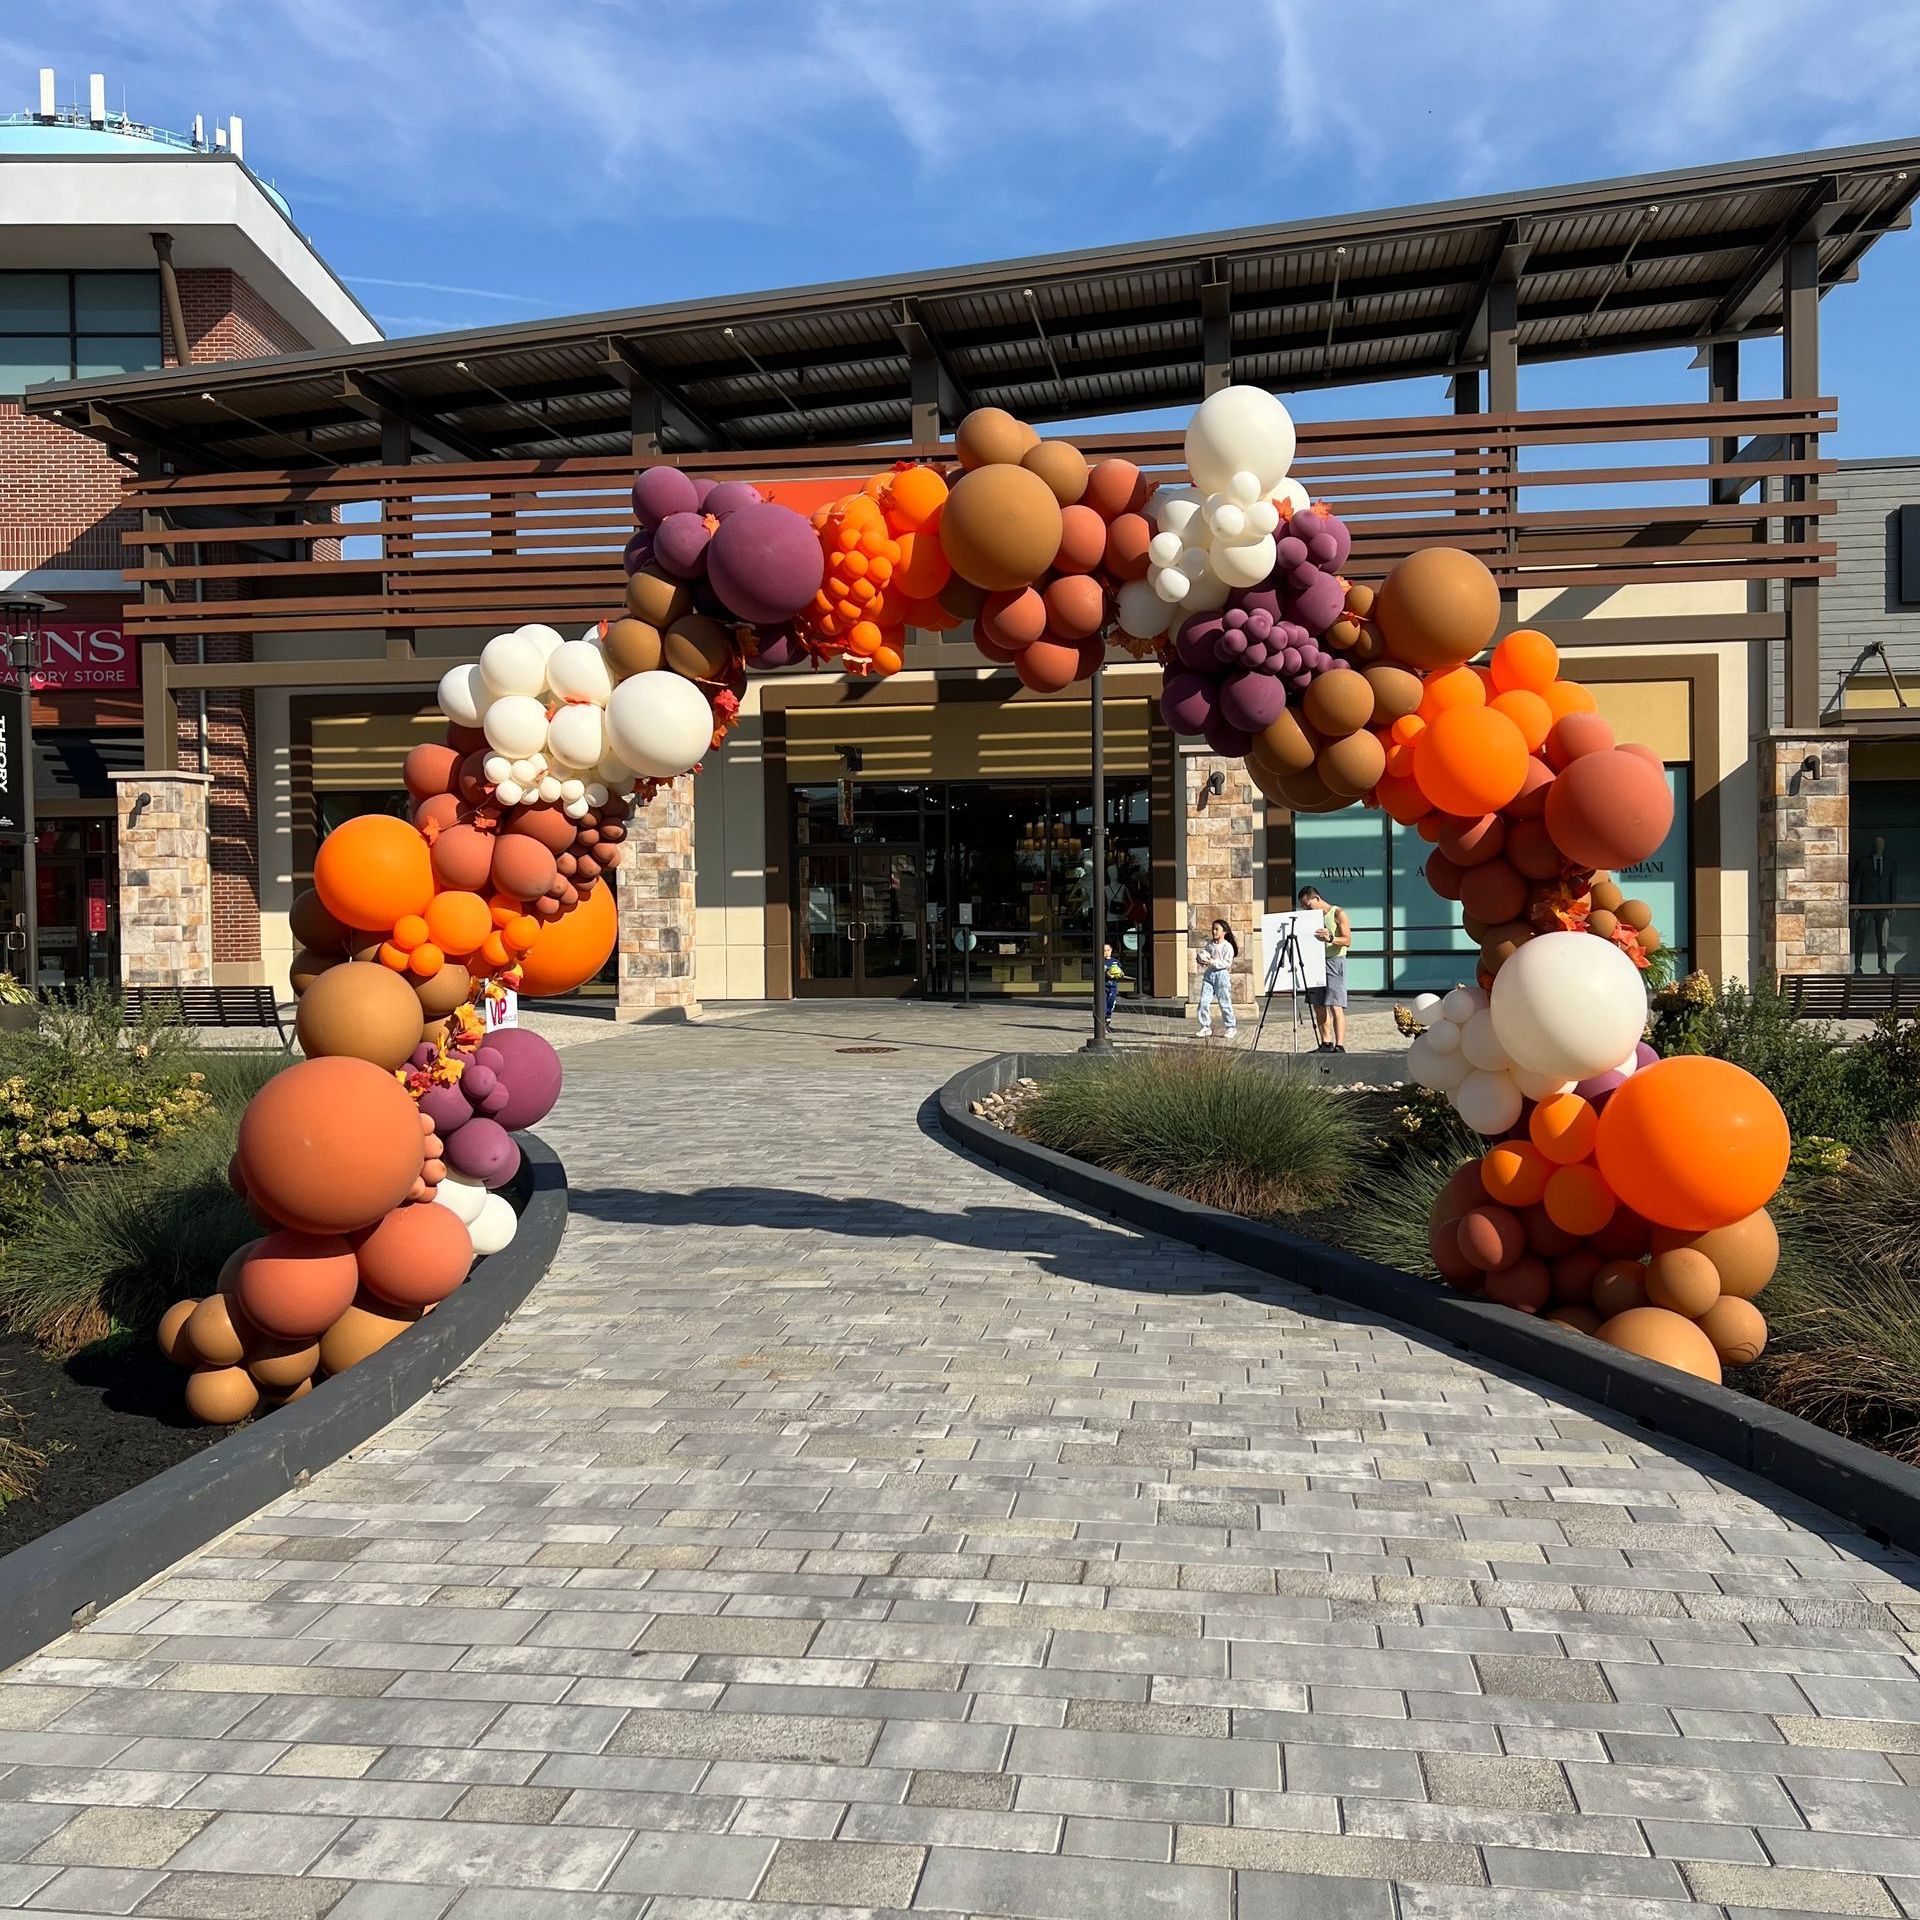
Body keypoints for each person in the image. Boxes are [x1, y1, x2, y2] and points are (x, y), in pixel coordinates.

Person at [1298, 884, 1350, 1052]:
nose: (1306, 909)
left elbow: (1347, 940)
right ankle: (1325, 1043)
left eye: (1308, 905)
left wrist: (1330, 938)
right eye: (1303, 907)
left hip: (1334, 961)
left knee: (1335, 1004)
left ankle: (1340, 1045)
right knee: (1318, 1004)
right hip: (1315, 961)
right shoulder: (1310, 918)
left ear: (1317, 898)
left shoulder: (1337, 913)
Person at [1851, 834, 1898, 975]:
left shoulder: (1890, 864)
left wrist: (1892, 905)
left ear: (1884, 846)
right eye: (1877, 844)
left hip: (1883, 905)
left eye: (1881, 844)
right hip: (1866, 904)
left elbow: (1893, 885)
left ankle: (1883, 966)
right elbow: (1856, 884)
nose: (1879, 846)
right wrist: (1856, 905)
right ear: (1873, 846)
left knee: (1883, 936)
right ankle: (1857, 965)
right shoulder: (1863, 863)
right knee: (1861, 934)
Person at [1193, 918, 1238, 1040]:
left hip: (1221, 975)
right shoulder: (1210, 945)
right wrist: (1201, 959)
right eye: (1213, 929)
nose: (1214, 931)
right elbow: (1205, 956)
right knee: (1203, 1001)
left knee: (1224, 1002)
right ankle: (1205, 1027)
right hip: (1209, 975)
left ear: (1224, 932)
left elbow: (1226, 963)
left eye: (1217, 929)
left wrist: (1212, 961)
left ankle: (1231, 1027)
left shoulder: (1227, 946)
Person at [1102, 941, 1124, 1024]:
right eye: (1104, 951)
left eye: (1108, 950)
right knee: (1103, 1003)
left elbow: (1120, 972)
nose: (1106, 952)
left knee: (1111, 1001)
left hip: (1113, 986)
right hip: (1104, 986)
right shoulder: (1100, 961)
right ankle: (1103, 1018)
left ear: (1111, 950)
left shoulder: (1115, 961)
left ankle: (1108, 1015)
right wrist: (1106, 974)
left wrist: (1120, 974)